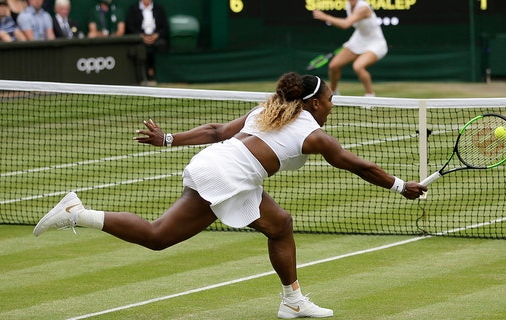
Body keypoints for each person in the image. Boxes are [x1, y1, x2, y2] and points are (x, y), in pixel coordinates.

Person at [33, 72, 427, 319]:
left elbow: (216, 131)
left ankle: (292, 300)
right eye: (328, 101)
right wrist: (400, 186)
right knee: (157, 237)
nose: (331, 107)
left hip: (220, 164)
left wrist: (168, 139)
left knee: (280, 224)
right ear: (311, 103)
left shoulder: (267, 111)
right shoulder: (314, 135)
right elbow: (358, 166)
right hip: (228, 175)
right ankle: (77, 212)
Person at [313, 0, 388, 97]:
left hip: (376, 43)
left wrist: (325, 17)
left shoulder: (363, 8)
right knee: (333, 66)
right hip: (358, 39)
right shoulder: (348, 5)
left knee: (358, 66)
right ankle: (333, 92)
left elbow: (346, 24)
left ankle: (370, 96)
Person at [125, 0, 169, 83]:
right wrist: (141, 36)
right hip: (140, 39)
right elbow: (130, 26)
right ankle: (142, 76)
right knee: (140, 48)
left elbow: (165, 27)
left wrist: (156, 35)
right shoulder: (133, 9)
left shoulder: (159, 9)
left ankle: (154, 75)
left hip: (156, 39)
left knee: (160, 45)